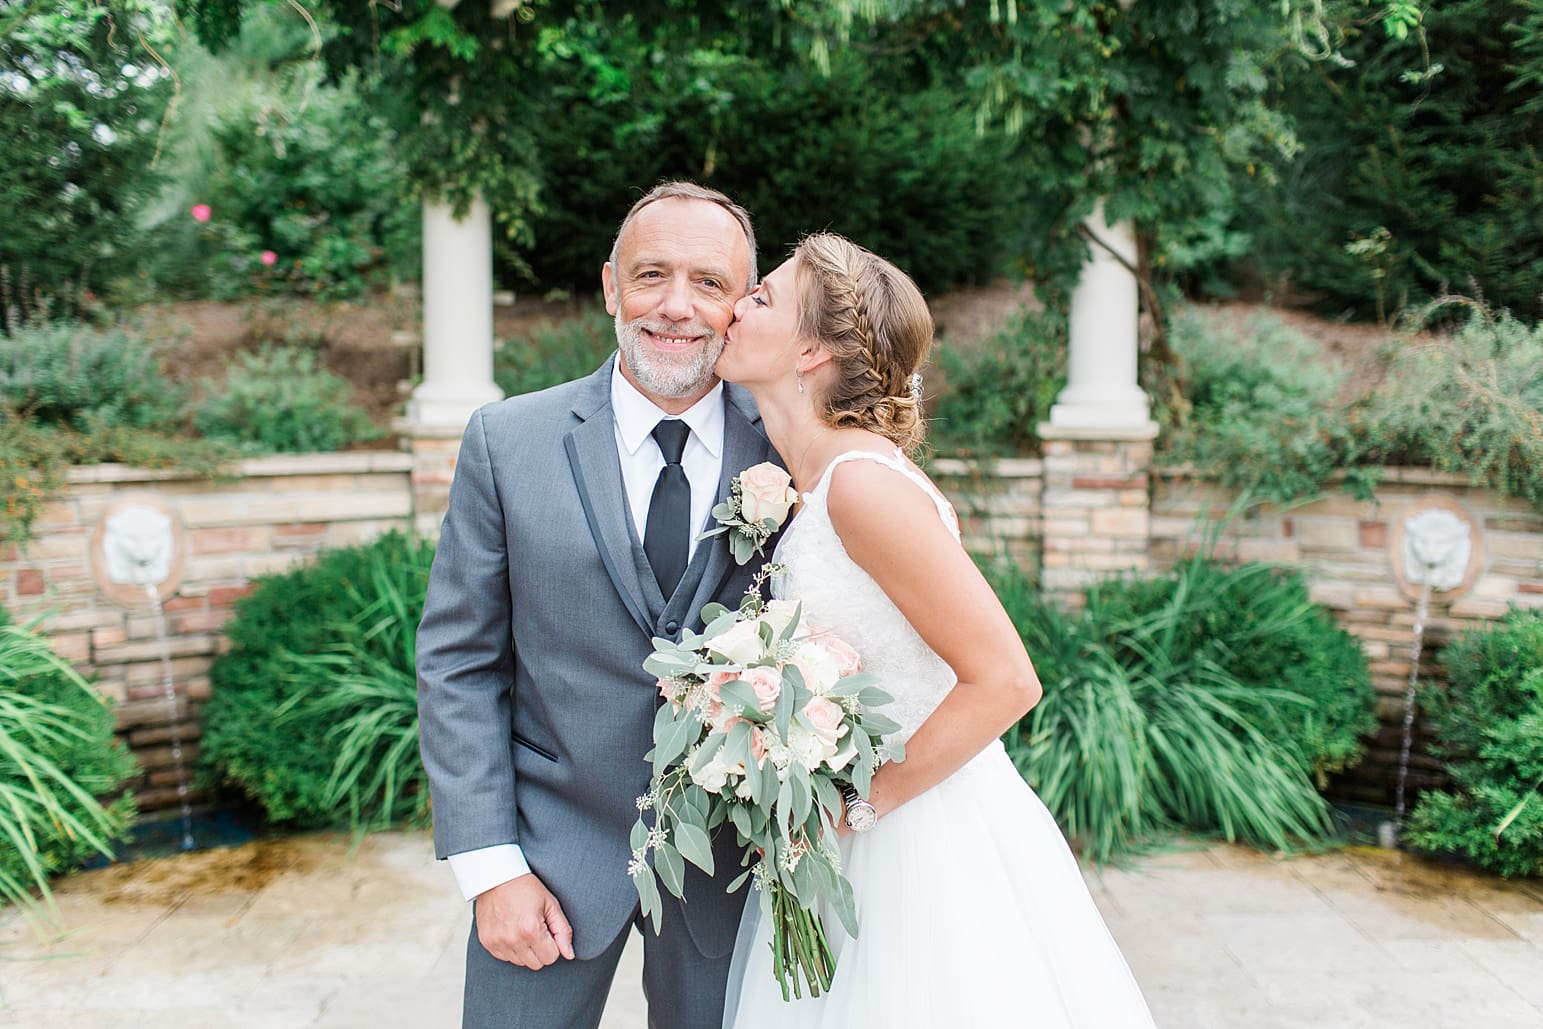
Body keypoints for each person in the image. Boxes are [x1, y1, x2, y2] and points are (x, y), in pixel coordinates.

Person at [713, 233, 1157, 1027]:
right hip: (857, 831)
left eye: (763, 295)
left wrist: (857, 806)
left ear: (810, 348)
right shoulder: (808, 480)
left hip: (918, 843)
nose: (737, 303)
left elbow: (1006, 679)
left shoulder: (860, 487)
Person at [416, 181, 782, 1029]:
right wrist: (488, 865)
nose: (676, 307)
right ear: (611, 284)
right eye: (651, 275)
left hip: (737, 866)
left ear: (742, 305)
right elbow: (458, 662)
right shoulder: (506, 442)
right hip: (544, 857)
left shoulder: (790, 443)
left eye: (710, 283)